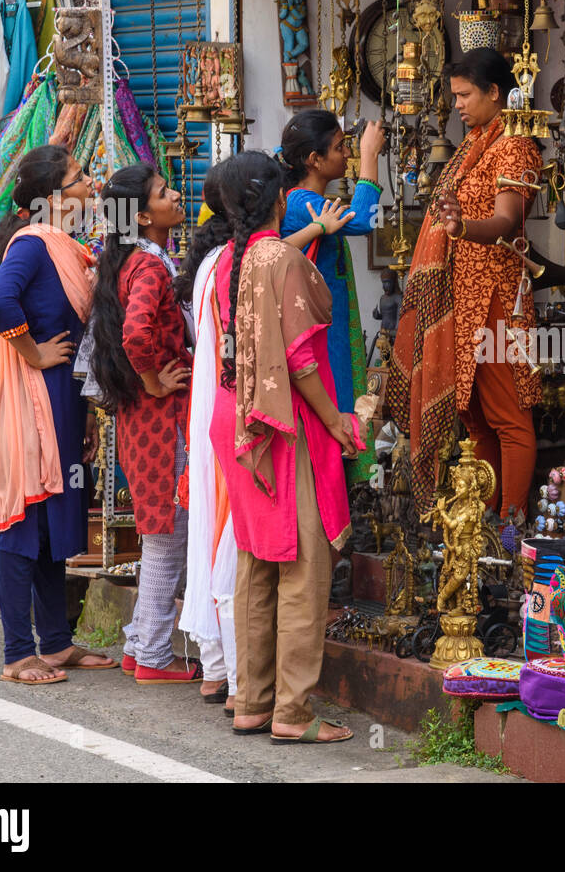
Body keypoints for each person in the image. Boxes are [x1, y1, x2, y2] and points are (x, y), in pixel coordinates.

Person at [211, 151, 358, 744]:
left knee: (256, 560)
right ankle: (293, 714)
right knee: (301, 565)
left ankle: (251, 701)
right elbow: (299, 361)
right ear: (277, 199)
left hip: (237, 421)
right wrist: (337, 422)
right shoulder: (281, 259)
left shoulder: (230, 257)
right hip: (281, 421)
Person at [387, 48, 543, 519]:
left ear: (495, 93)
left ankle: (512, 535)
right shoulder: (473, 145)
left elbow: (506, 219)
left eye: (465, 94)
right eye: (454, 95)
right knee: (477, 424)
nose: (457, 104)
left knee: (510, 420)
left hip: (496, 296)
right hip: (463, 298)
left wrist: (460, 230)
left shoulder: (515, 146)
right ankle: (485, 532)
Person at [0, 143, 115, 684]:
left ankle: (56, 643)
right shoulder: (33, 245)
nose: (89, 184)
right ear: (53, 197)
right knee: (23, 523)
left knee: (53, 520)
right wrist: (34, 353)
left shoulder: (63, 245)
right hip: (29, 403)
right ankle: (18, 653)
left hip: (61, 403)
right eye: (81, 177)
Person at [91, 163, 201, 685]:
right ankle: (153, 656)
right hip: (162, 418)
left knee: (160, 532)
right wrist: (155, 379)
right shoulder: (152, 268)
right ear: (141, 215)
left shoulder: (132, 261)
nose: (176, 194)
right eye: (164, 192)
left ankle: (140, 645)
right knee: (167, 536)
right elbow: (136, 335)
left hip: (144, 420)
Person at [277, 111, 385, 483]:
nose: (348, 153)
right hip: (320, 332)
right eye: (340, 148)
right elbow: (365, 219)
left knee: (340, 400)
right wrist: (370, 156)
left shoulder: (309, 200)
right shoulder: (299, 204)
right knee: (331, 409)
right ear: (314, 160)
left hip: (332, 328)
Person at [177, 171, 240, 714]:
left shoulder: (206, 264)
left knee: (211, 528)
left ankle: (216, 667)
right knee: (227, 534)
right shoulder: (235, 264)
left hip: (208, 402)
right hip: (229, 403)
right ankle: (232, 677)